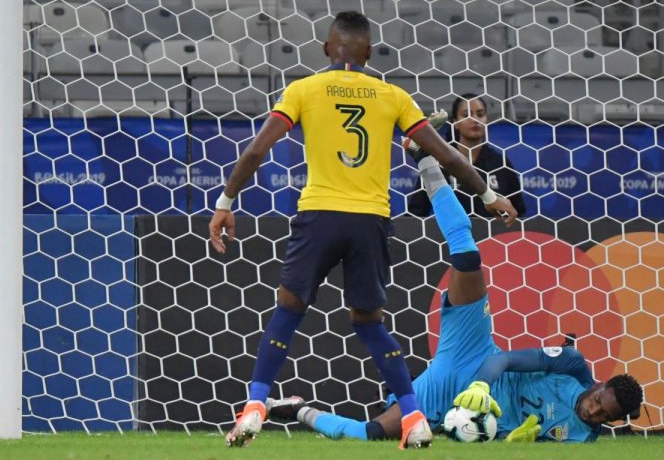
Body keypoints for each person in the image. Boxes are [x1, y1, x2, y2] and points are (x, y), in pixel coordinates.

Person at [209, 10, 518, 450]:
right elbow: (449, 157)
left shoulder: (303, 89)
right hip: (370, 220)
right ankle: (413, 417)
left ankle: (256, 405)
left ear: (325, 49)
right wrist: (489, 195)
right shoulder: (392, 96)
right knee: (370, 322)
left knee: (289, 310)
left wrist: (225, 202)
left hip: (319, 215)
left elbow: (258, 150)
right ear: (370, 52)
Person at [267, 149, 643, 442]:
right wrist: (481, 385)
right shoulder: (574, 367)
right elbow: (509, 360)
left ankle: (292, 410)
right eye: (597, 402)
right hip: (475, 353)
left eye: (602, 416)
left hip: (454, 402)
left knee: (372, 433)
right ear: (599, 385)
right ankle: (426, 161)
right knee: (467, 258)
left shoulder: (582, 437)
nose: (592, 413)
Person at [408, 94, 526, 218]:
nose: (474, 119)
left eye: (480, 114)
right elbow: (416, 214)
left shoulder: (500, 163)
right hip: (453, 235)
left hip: (493, 235)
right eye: (466, 115)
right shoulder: (438, 163)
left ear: (487, 120)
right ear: (455, 122)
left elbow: (518, 211)